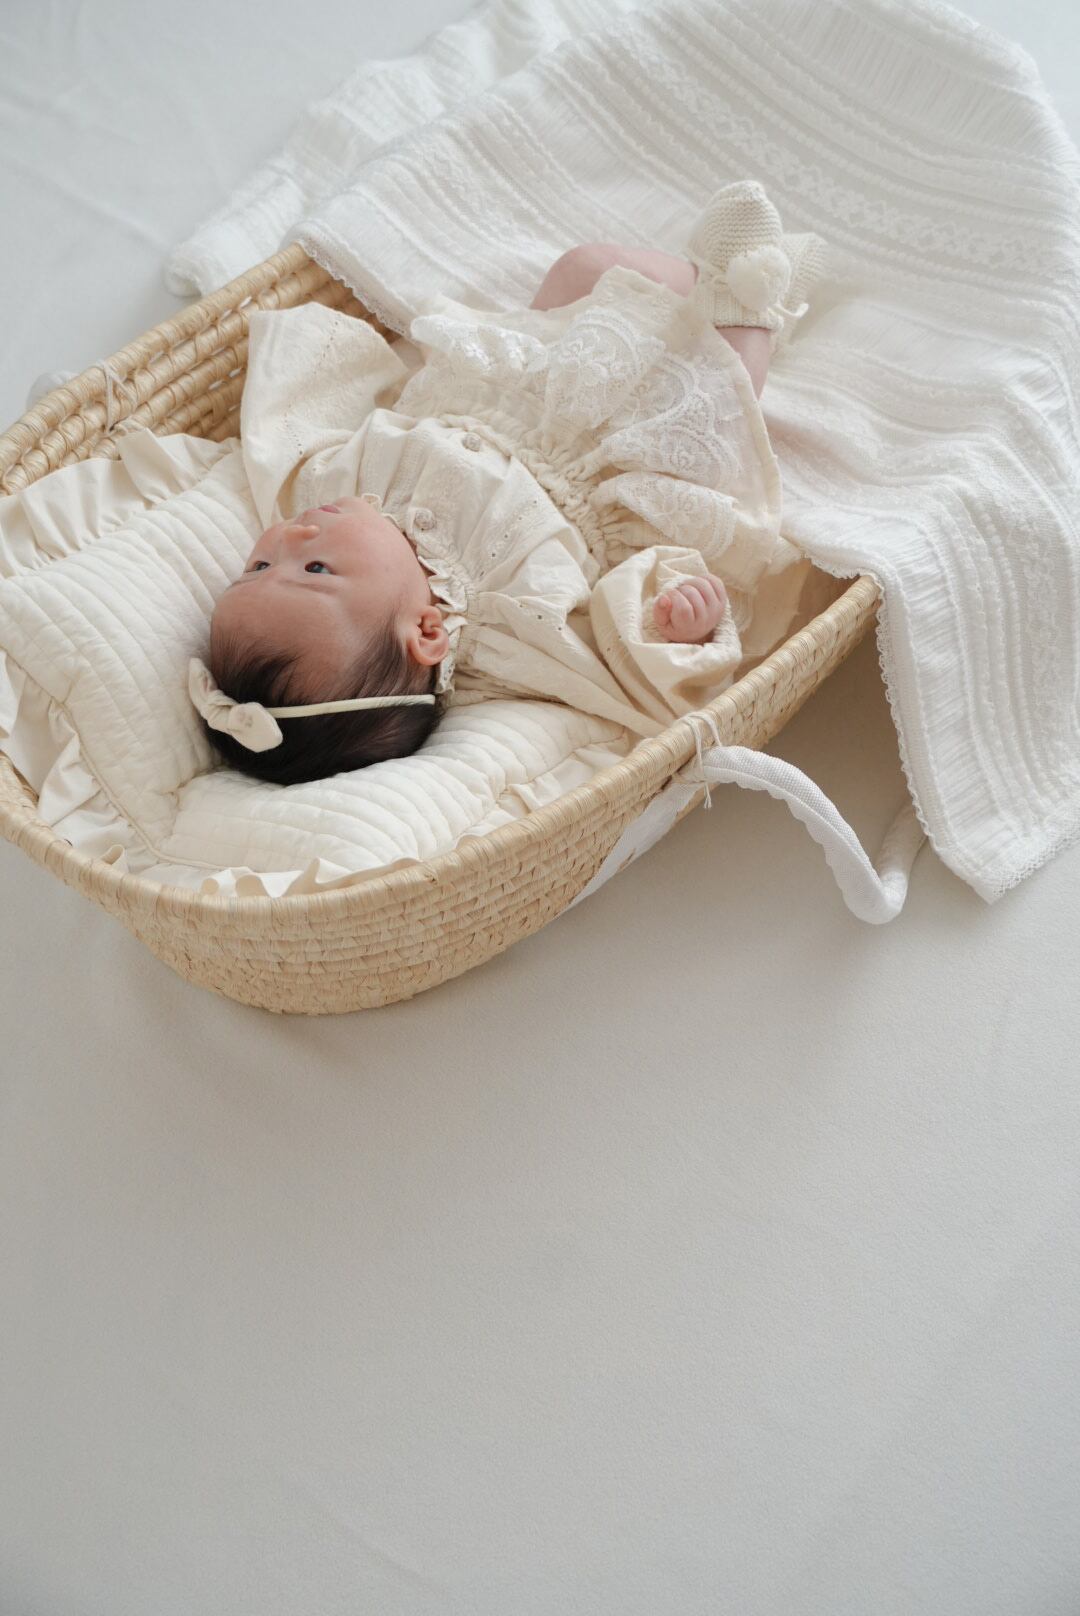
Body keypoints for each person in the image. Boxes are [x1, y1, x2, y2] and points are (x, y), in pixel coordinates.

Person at [191, 182, 831, 785]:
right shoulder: (507, 636)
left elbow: (296, 422)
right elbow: (617, 672)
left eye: (258, 563)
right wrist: (679, 630)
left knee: (582, 269)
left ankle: (706, 280)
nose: (292, 536)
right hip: (613, 466)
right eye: (316, 569)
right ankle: (749, 304)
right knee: (712, 416)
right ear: (426, 632)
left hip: (516, 386)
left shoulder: (330, 489)